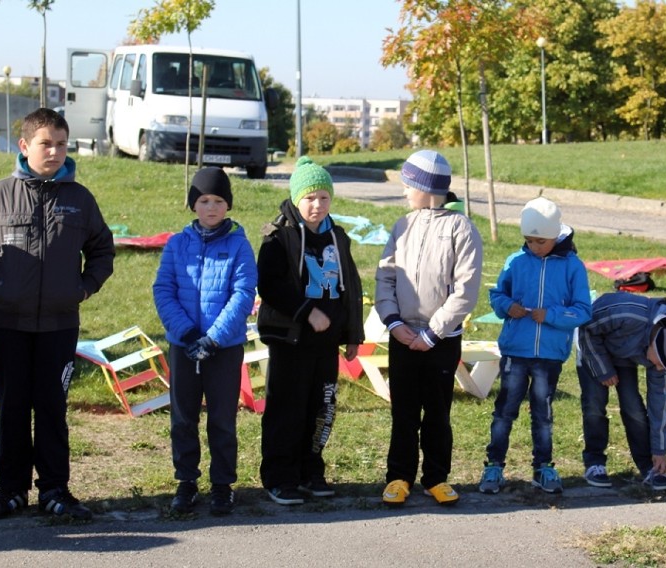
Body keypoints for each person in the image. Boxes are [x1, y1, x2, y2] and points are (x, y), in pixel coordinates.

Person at [0, 107, 115, 520]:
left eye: (62, 144)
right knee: (11, 408)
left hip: (59, 326)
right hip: (7, 323)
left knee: (51, 409)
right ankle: (10, 490)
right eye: (46, 143)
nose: (56, 151)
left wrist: (83, 287)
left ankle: (55, 490)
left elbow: (102, 250)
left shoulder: (79, 199)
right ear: (25, 146)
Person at [375, 150, 484, 506]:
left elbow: (465, 291)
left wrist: (433, 333)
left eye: (409, 184)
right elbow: (385, 277)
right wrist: (393, 323)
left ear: (426, 187)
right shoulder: (401, 225)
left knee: (437, 412)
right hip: (403, 337)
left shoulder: (461, 229)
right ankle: (399, 476)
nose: (405, 191)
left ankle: (436, 477)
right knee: (403, 411)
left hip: (440, 340)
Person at [257, 156, 364, 506]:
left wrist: (352, 334)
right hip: (290, 341)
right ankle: (279, 477)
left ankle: (310, 471)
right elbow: (270, 285)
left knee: (321, 409)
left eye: (324, 197)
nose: (317, 205)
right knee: (286, 410)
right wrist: (306, 313)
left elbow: (351, 285)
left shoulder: (338, 237)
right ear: (295, 198)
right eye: (309, 198)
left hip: (326, 345)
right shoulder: (278, 237)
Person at [152, 167, 257, 516]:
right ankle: (186, 482)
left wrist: (213, 338)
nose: (211, 207)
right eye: (204, 200)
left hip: (223, 349)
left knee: (222, 419)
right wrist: (188, 333)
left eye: (218, 200)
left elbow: (242, 295)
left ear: (228, 205)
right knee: (183, 418)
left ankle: (223, 485)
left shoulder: (239, 245)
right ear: (193, 205)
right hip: (184, 347)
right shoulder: (176, 244)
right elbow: (163, 290)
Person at [479, 197, 591, 495]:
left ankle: (543, 466)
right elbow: (497, 294)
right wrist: (507, 306)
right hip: (516, 350)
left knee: (542, 413)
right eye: (528, 240)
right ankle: (494, 465)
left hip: (549, 356)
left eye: (540, 241)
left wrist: (552, 315)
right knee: (505, 411)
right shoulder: (515, 260)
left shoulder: (573, 267)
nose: (534, 247)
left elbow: (583, 310)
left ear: (555, 235)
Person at [576, 292, 666, 491]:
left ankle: (648, 465)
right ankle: (594, 463)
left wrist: (660, 450)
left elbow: (659, 403)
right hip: (593, 346)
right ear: (654, 346)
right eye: (660, 365)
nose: (659, 370)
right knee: (594, 404)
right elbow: (586, 327)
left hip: (627, 355)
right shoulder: (629, 315)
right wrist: (603, 369)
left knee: (633, 406)